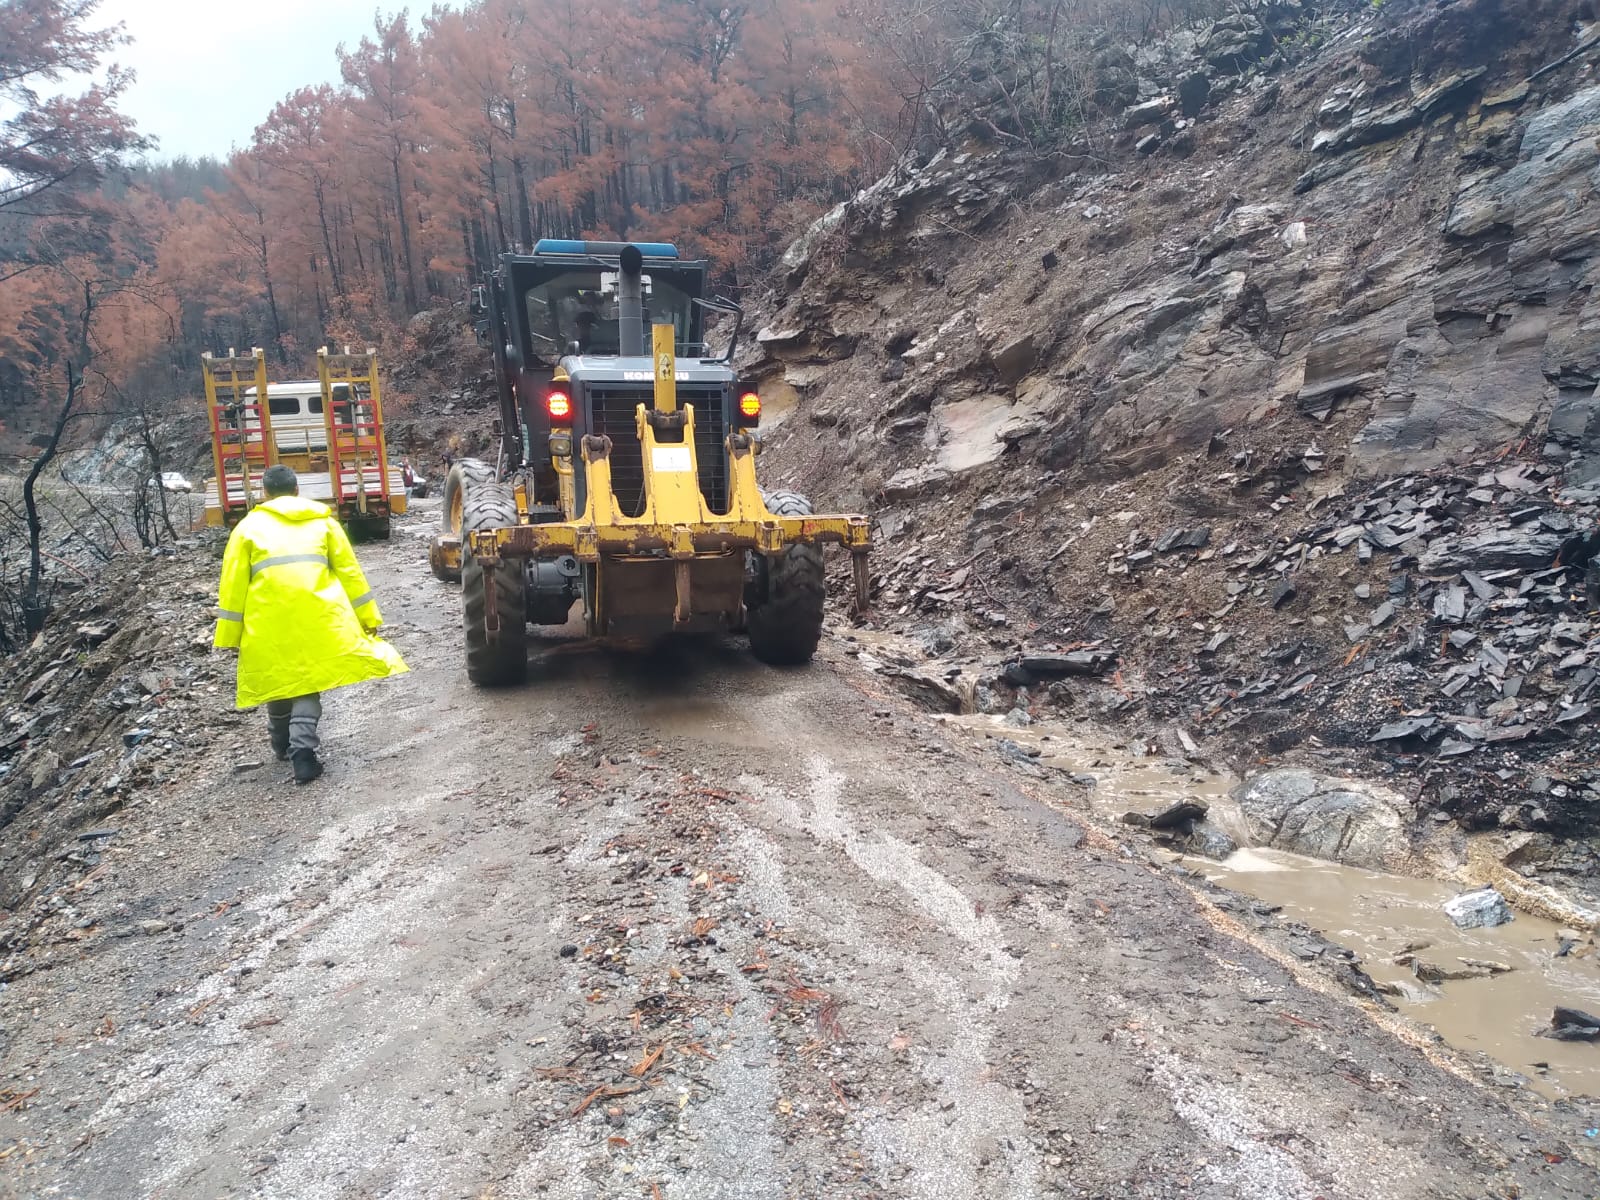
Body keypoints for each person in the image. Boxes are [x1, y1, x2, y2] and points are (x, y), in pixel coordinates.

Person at [212, 464, 408, 783]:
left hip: (268, 621)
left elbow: (232, 587)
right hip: (317, 617)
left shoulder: (246, 530)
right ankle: (302, 754)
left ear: (264, 493)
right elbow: (350, 574)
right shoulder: (324, 523)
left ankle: (281, 744)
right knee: (307, 683)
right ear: (297, 491)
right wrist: (368, 619)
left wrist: (230, 636)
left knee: (278, 679)